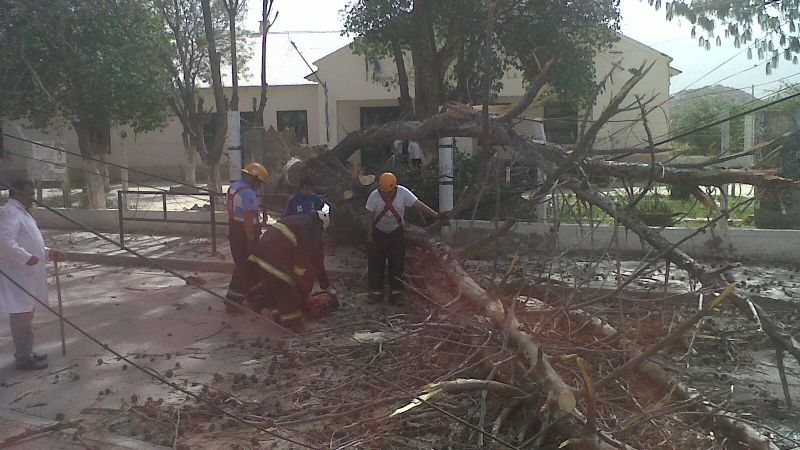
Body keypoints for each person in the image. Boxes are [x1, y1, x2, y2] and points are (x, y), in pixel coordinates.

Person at [0, 178, 64, 370]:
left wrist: (46, 252)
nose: (32, 198)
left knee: (27, 315)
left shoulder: (22, 213)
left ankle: (25, 351)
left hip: (29, 274)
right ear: (16, 193)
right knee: (22, 317)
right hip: (19, 274)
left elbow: (30, 241)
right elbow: (5, 242)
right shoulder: (10, 213)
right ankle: (24, 358)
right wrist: (26, 258)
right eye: (29, 194)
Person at [246, 205, 335, 331]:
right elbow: (300, 263)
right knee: (286, 287)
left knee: (272, 287)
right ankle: (294, 324)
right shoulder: (310, 230)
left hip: (261, 251)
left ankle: (277, 316)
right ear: (321, 226)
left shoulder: (300, 220)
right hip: (275, 254)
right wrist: (304, 293)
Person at [366, 172, 446, 304]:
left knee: (397, 263)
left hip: (397, 233)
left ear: (395, 188)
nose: (386, 194)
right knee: (376, 263)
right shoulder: (374, 196)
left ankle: (397, 293)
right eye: (384, 192)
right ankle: (375, 292)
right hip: (378, 232)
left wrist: (436, 215)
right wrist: (369, 238)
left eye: (389, 192)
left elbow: (418, 204)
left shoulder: (403, 193)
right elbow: (369, 216)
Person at [224, 163, 268, 314]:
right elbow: (248, 217)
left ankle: (254, 296)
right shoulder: (248, 193)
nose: (259, 186)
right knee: (245, 267)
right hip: (245, 232)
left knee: (247, 266)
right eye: (259, 182)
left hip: (234, 229)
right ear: (254, 179)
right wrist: (251, 238)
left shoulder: (233, 187)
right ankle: (233, 301)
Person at [282, 177, 333, 294]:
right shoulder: (293, 201)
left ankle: (325, 286)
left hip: (315, 238)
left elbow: (325, 209)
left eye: (310, 189)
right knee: (299, 265)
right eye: (305, 189)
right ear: (300, 188)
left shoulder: (315, 199)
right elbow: (286, 218)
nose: (308, 192)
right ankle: (299, 289)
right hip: (299, 240)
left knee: (318, 262)